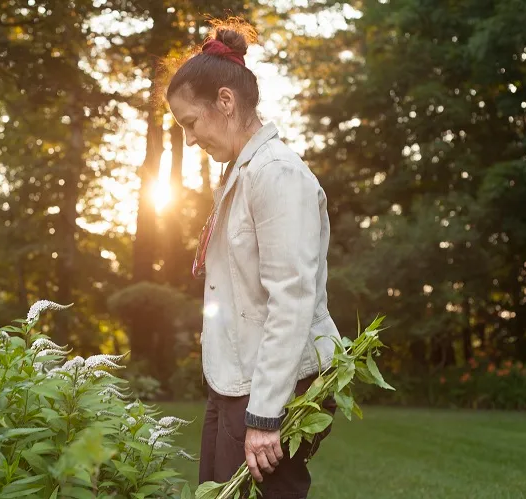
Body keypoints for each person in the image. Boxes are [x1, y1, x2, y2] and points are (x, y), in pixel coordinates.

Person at [165, 19, 342, 498]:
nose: (190, 139)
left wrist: (265, 415)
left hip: (273, 390)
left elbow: (292, 297)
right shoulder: (238, 175)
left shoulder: (277, 174)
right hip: (232, 380)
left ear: (225, 101)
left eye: (190, 123)